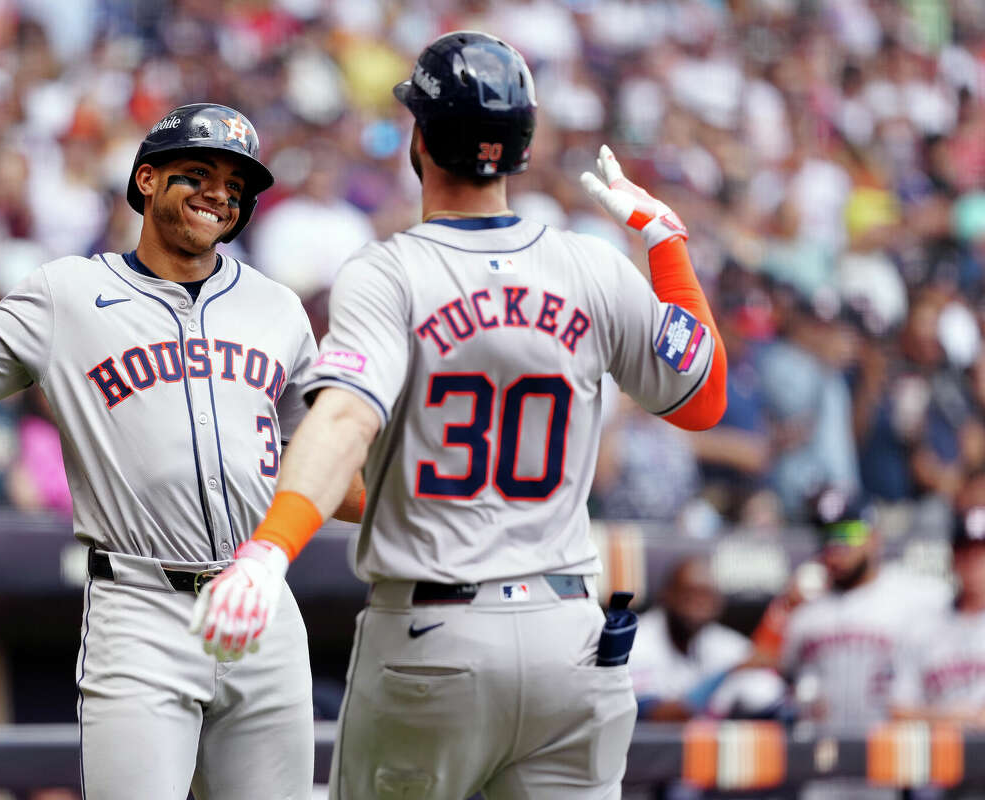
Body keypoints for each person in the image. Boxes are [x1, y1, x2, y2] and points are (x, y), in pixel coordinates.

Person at [192, 31, 728, 798]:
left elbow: (343, 420)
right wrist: (666, 246)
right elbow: (703, 399)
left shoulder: (391, 270)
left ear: (420, 139)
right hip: (569, 640)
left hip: (434, 639)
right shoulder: (592, 265)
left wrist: (270, 549)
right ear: (521, 145)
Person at [0, 103, 363, 798]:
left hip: (261, 601)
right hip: (142, 607)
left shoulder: (278, 309)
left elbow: (315, 468)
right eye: (198, 173)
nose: (219, 193)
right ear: (146, 179)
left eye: (236, 184)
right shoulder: (70, 292)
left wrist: (425, 493)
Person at [779, 487, 949, 726]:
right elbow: (775, 668)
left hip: (890, 746)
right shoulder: (807, 611)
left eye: (847, 533)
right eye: (828, 535)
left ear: (874, 537)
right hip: (822, 750)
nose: (836, 547)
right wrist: (781, 609)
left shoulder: (918, 594)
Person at [629, 556, 783, 721]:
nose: (699, 605)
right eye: (690, 594)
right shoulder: (636, 640)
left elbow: (773, 698)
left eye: (707, 596)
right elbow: (654, 715)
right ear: (667, 595)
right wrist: (725, 675)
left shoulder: (722, 641)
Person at [891, 505, 985, 727]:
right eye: (965, 552)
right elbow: (899, 711)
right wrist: (959, 718)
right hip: (942, 756)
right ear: (952, 558)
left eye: (981, 553)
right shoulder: (923, 626)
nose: (973, 563)